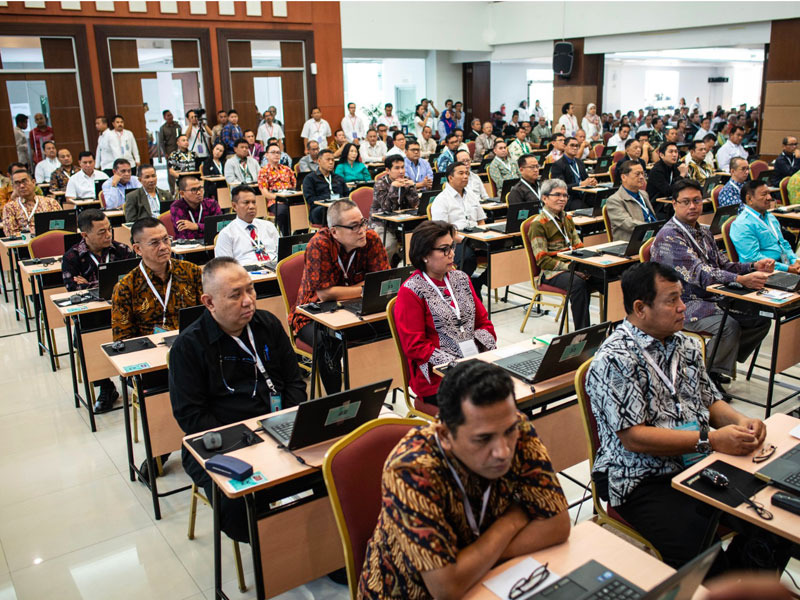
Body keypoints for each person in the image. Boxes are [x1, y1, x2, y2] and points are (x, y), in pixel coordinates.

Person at [586, 260, 789, 574]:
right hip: (639, 476)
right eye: (672, 301)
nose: (683, 308)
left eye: (681, 297)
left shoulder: (686, 345)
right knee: (705, 557)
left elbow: (710, 401)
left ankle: (746, 585)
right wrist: (711, 441)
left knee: (775, 522)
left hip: (695, 461)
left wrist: (739, 422)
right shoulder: (615, 358)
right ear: (640, 308)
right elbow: (634, 438)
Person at [359, 360, 569, 599]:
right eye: (482, 439)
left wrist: (470, 562)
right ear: (445, 435)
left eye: (509, 431)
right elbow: (446, 587)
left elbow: (558, 525)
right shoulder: (410, 469)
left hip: (488, 580)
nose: (502, 451)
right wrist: (512, 520)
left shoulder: (515, 427)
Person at [169, 257, 306, 543]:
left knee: (329, 472)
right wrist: (248, 440)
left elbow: (294, 381)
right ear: (209, 302)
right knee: (239, 509)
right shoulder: (189, 347)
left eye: (251, 290)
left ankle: (314, 545)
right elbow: (191, 418)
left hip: (278, 425)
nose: (248, 301)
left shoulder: (267, 324)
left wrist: (287, 420)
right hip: (222, 441)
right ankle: (282, 553)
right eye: (235, 295)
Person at [650, 179, 772, 388]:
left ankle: (715, 365)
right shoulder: (669, 236)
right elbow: (702, 274)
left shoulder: (704, 230)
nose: (692, 206)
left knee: (760, 318)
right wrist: (740, 280)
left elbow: (723, 264)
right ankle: (706, 380)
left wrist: (753, 266)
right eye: (686, 202)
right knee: (728, 326)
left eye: (697, 201)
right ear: (674, 204)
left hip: (712, 297)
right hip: (681, 303)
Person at [289, 199, 390, 393]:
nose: (362, 230)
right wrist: (362, 288)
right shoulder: (319, 245)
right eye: (354, 226)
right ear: (334, 231)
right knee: (328, 344)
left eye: (363, 222)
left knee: (388, 330)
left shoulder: (371, 239)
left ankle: (373, 393)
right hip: (312, 315)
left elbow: (380, 283)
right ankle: (337, 403)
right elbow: (325, 294)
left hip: (358, 309)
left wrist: (356, 290)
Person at [393, 221, 497, 403]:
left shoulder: (461, 279)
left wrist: (478, 353)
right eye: (444, 249)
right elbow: (414, 346)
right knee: (488, 405)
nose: (452, 254)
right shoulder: (411, 291)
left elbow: (484, 323)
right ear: (425, 254)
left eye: (452, 247)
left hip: (473, 364)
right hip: (437, 377)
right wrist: (456, 364)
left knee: (513, 394)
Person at [62, 209, 136, 411]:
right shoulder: (72, 256)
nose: (108, 235)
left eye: (109, 230)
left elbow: (136, 281)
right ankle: (105, 386)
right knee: (83, 338)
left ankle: (133, 376)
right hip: (92, 313)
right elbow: (72, 288)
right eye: (101, 232)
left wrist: (89, 283)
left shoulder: (122, 250)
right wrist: (106, 285)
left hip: (124, 309)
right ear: (85, 235)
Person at [111, 216, 203, 341]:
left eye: (166, 239)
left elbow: (206, 315)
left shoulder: (191, 271)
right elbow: (122, 339)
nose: (163, 247)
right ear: (138, 249)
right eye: (154, 243)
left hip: (191, 345)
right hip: (150, 351)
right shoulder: (126, 287)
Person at [529, 178, 600, 330]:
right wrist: (571, 268)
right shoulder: (538, 224)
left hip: (573, 264)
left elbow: (578, 245)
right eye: (557, 195)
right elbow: (543, 260)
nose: (562, 199)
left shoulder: (567, 218)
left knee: (605, 276)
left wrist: (586, 265)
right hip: (551, 272)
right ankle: (583, 331)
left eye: (565, 195)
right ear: (545, 198)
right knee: (578, 284)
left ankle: (615, 324)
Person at [431, 163, 487, 289]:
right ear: (450, 178)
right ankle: (460, 289)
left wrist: (481, 236)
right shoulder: (441, 200)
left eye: (466, 173)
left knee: (499, 252)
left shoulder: (471, 194)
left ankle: (478, 283)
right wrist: (467, 240)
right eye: (461, 173)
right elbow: (442, 230)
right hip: (455, 239)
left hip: (477, 235)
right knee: (468, 258)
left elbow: (481, 220)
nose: (465, 176)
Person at [730, 180, 799, 273]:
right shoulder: (742, 224)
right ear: (749, 199)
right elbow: (752, 258)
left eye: (769, 193)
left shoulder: (770, 217)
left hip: (783, 266)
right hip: (762, 272)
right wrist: (787, 269)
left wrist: (795, 261)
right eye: (764, 194)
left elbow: (783, 244)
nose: (769, 197)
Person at [369, 155, 419, 262]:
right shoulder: (380, 184)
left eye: (403, 167)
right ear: (388, 170)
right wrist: (393, 188)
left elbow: (415, 204)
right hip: (381, 223)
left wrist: (412, 188)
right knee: (390, 244)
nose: (401, 171)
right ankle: (384, 269)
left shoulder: (406, 180)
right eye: (397, 168)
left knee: (418, 240)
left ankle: (404, 265)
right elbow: (387, 208)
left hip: (402, 222)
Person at [215, 185, 279, 265]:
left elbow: (281, 254)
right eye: (246, 203)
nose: (252, 206)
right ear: (234, 206)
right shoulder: (227, 234)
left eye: (254, 202)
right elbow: (224, 266)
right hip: (247, 274)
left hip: (274, 270)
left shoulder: (268, 226)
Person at [605, 162, 657, 241]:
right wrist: (654, 229)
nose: (642, 177)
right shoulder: (614, 200)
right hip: (630, 242)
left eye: (643, 174)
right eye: (637, 174)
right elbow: (628, 224)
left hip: (650, 237)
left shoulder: (644, 194)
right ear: (623, 177)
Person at [2, 169, 62, 236]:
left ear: (33, 182)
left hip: (49, 241)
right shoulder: (10, 207)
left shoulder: (51, 202)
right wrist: (30, 233)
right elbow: (10, 233)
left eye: (24, 181)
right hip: (23, 244)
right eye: (17, 183)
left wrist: (38, 232)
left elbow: (61, 226)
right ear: (13, 187)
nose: (21, 186)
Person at [302, 149, 348, 226]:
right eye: (328, 160)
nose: (331, 162)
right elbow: (310, 199)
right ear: (319, 161)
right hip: (319, 209)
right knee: (330, 210)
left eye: (333, 160)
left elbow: (347, 195)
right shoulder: (310, 178)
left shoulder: (338, 178)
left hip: (338, 207)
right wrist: (328, 199)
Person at [169, 176, 222, 241]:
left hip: (211, 246)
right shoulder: (177, 207)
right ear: (182, 193)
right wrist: (208, 228)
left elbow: (220, 228)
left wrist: (197, 226)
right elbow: (186, 235)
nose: (199, 192)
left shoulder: (211, 204)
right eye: (193, 190)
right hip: (187, 248)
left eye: (200, 188)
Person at [550, 137, 596, 202]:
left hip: (584, 195)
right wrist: (580, 184)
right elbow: (561, 187)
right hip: (569, 198)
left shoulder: (580, 162)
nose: (575, 148)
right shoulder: (558, 165)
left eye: (577, 146)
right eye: (572, 145)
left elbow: (586, 179)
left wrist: (591, 181)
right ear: (565, 146)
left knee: (600, 200)